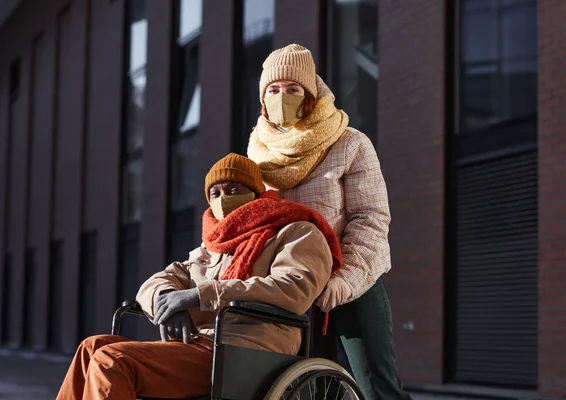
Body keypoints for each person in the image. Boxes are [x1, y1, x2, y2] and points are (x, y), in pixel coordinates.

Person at [56, 153, 341, 400]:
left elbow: (294, 289)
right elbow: (161, 279)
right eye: (215, 194)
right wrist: (167, 301)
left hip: (246, 349)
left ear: (256, 193)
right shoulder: (211, 247)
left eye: (234, 189)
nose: (223, 199)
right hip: (199, 345)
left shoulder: (295, 232)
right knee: (91, 347)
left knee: (112, 361)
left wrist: (197, 295)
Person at [247, 43, 411, 400]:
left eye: (293, 89)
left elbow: (371, 219)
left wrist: (343, 280)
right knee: (309, 390)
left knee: (377, 389)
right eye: (273, 90)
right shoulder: (256, 156)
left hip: (353, 282)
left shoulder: (349, 144)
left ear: (311, 93)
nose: (282, 96)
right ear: (262, 98)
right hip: (295, 289)